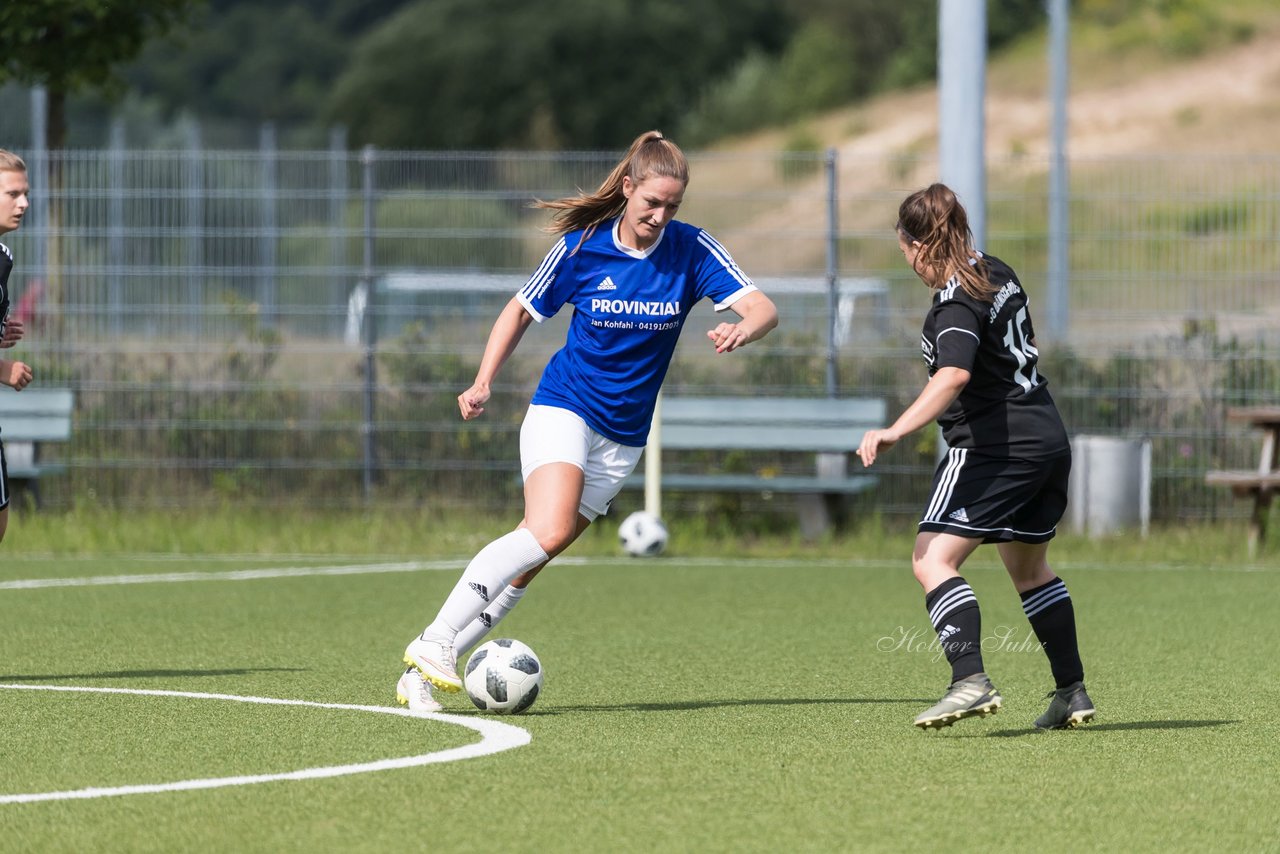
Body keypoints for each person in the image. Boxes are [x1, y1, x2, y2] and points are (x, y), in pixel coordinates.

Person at [395, 131, 779, 711]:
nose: (661, 215)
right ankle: (438, 640)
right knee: (544, 532)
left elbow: (764, 308)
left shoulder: (693, 250)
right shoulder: (582, 248)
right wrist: (482, 380)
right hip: (565, 406)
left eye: (673, 205)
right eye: (652, 202)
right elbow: (520, 309)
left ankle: (421, 677)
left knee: (532, 563)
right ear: (628, 189)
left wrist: (743, 327)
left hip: (623, 437)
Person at [857, 183, 1094, 731]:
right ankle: (1071, 691)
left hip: (995, 449)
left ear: (915, 245)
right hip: (1047, 440)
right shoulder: (995, 270)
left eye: (903, 251)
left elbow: (955, 374)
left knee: (930, 560)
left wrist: (895, 430)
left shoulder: (954, 304)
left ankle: (969, 680)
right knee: (1029, 569)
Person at [0, 149, 35, 543]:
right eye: (13, 194)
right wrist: (3, 369)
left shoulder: (3, 258)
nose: (24, 203)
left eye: (25, 193)